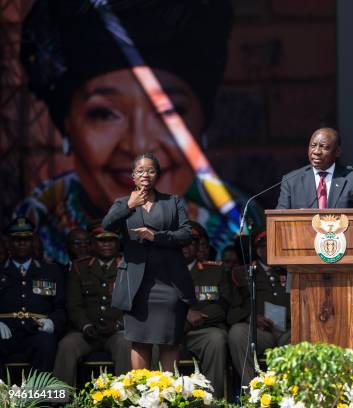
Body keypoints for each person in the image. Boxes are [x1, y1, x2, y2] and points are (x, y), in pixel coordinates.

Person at [16, 0, 260, 264]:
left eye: (169, 112)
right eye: (105, 113)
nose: (138, 145)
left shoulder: (248, 235)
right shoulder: (28, 233)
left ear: (202, 121)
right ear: (66, 124)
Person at [102, 153, 194, 371]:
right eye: (140, 171)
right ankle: (142, 396)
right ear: (133, 176)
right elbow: (106, 225)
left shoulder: (172, 202)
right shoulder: (122, 203)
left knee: (170, 341)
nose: (145, 174)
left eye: (151, 170)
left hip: (169, 283)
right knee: (140, 342)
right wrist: (130, 206)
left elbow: (186, 234)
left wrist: (156, 236)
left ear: (157, 176)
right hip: (137, 286)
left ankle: (169, 397)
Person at [53, 223, 131, 385]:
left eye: (111, 241)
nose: (107, 244)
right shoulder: (80, 267)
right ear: (93, 244)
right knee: (66, 345)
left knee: (125, 344)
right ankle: (59, 400)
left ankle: (127, 397)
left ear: (118, 244)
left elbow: (136, 304)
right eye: (102, 241)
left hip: (117, 331)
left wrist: (118, 325)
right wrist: (86, 326)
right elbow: (74, 305)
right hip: (87, 331)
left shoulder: (129, 267)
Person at [0, 217, 65, 373]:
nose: (22, 243)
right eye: (17, 239)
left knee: (46, 342)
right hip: (5, 331)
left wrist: (52, 322)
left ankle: (40, 396)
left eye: (27, 239)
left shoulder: (50, 271)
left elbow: (61, 306)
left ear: (33, 241)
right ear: (8, 243)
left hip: (37, 331)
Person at [227, 231, 290, 387]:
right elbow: (231, 308)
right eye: (263, 247)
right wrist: (250, 317)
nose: (267, 250)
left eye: (272, 246)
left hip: (289, 330)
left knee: (302, 338)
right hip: (260, 332)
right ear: (258, 250)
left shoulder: (290, 269)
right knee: (237, 333)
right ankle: (252, 391)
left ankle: (292, 393)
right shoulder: (242, 273)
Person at [183, 222, 231, 399]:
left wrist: (200, 316)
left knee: (216, 339)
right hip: (171, 329)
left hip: (204, 329)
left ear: (198, 246)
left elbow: (224, 304)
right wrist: (185, 314)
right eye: (181, 242)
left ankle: (211, 400)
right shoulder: (163, 270)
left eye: (191, 242)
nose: (185, 246)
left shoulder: (215, 271)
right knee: (151, 340)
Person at [276, 127, 353, 209]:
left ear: (337, 151)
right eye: (313, 146)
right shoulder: (291, 181)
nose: (316, 151)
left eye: (324, 147)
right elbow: (279, 220)